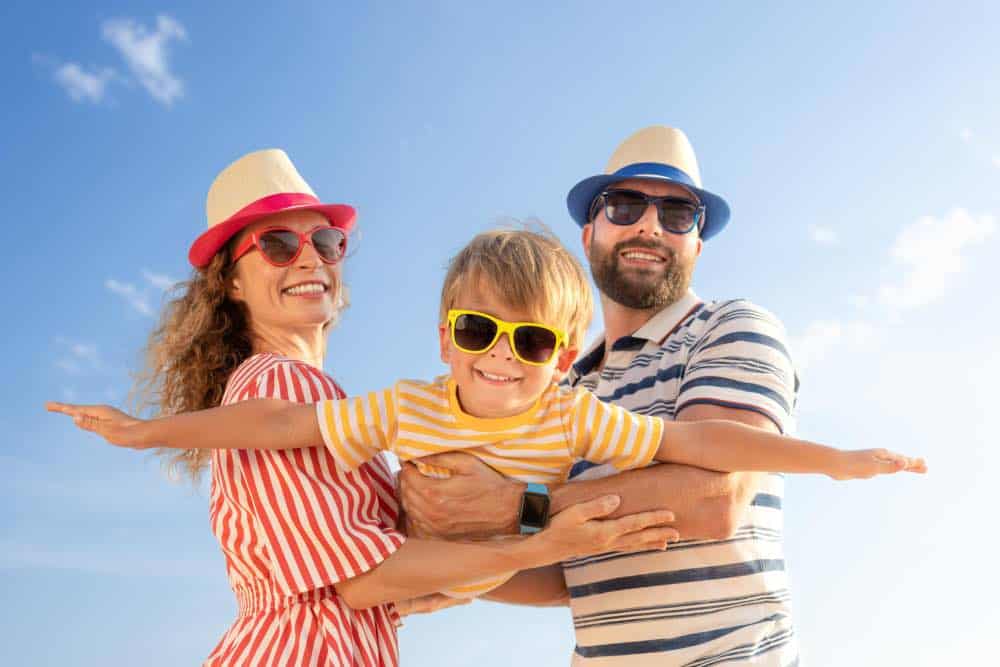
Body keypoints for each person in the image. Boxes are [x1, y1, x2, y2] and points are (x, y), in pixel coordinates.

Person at [48, 149, 681, 666]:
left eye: (324, 242)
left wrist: (446, 574)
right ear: (231, 281)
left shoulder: (321, 404)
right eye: (276, 245)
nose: (309, 259)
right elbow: (361, 580)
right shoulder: (283, 387)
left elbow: (376, 573)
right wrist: (529, 547)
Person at [51, 227, 923, 591]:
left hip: (500, 561)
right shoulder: (411, 407)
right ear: (443, 337)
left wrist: (835, 460)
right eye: (479, 329)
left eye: (534, 342)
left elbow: (701, 441)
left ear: (564, 356)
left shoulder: (573, 417)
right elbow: (281, 426)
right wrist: (150, 430)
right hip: (438, 564)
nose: (502, 354)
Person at [396, 126, 881, 665]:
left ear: (695, 244)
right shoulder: (564, 387)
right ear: (588, 235)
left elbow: (713, 498)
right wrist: (444, 559)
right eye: (625, 206)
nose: (650, 224)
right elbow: (565, 576)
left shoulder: (731, 327)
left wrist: (515, 507)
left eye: (677, 213)